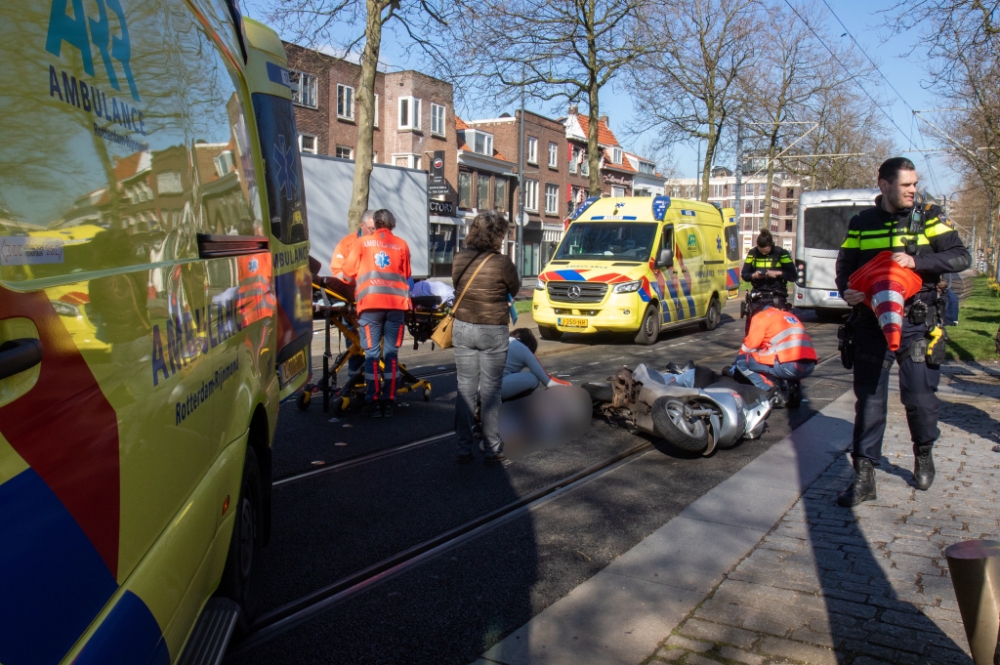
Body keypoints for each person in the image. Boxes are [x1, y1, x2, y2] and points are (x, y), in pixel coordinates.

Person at [835, 157, 970, 506]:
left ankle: (923, 453)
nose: (914, 190)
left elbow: (960, 257)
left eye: (915, 184)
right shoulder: (862, 222)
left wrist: (917, 262)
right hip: (870, 322)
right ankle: (864, 477)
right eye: (906, 185)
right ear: (884, 185)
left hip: (915, 323)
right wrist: (847, 291)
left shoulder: (929, 217)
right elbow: (846, 265)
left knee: (920, 399)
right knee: (869, 400)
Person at [452, 211, 520, 465]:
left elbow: (457, 285)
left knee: (465, 389)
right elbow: (514, 287)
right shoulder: (502, 263)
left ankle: (462, 448)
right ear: (497, 236)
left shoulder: (459, 258)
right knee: (491, 392)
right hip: (492, 329)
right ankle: (492, 449)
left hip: (463, 327)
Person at [342, 209, 412, 418]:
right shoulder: (401, 244)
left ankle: (372, 400)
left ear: (376, 223)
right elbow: (406, 274)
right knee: (391, 355)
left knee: (372, 356)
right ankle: (389, 401)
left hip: (370, 307)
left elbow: (347, 273)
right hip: (396, 307)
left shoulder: (362, 243)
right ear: (392, 224)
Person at [329, 210, 377, 380]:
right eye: (371, 228)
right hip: (352, 300)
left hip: (376, 301)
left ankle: (376, 380)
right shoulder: (347, 244)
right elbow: (337, 270)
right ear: (361, 226)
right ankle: (356, 380)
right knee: (355, 343)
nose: (374, 232)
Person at [733, 304, 816, 395]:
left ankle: (770, 391)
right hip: (809, 366)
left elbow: (750, 345)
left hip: (789, 366)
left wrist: (738, 361)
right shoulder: (788, 315)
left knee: (741, 361)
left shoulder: (761, 316)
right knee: (777, 356)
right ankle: (795, 390)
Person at [741, 229, 796, 332]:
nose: (763, 253)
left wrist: (778, 273)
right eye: (760, 251)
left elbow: (793, 276)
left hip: (776, 295)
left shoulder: (781, 253)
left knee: (776, 328)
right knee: (753, 328)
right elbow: (744, 274)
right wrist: (754, 276)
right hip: (758, 296)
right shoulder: (753, 253)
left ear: (771, 245)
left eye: (766, 251)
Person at [501, 328, 571, 400]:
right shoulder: (523, 348)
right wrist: (569, 386)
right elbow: (548, 382)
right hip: (496, 390)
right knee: (534, 377)